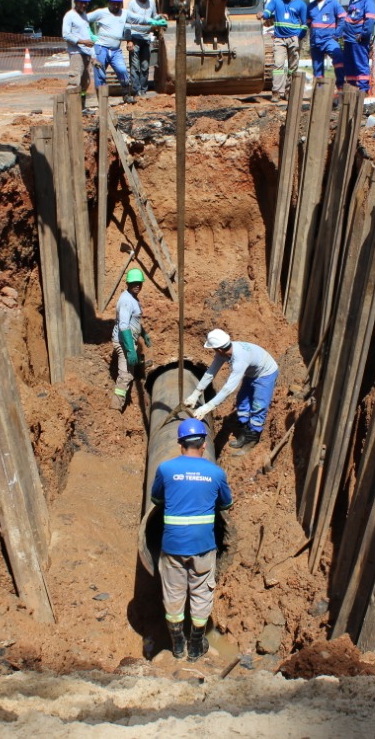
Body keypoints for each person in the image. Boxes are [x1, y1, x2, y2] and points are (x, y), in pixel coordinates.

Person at [151, 418, 233, 661]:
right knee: (201, 593)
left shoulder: (166, 469)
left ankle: (177, 645)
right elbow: (226, 504)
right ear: (204, 444)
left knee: (174, 593)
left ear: (179, 445)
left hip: (173, 546)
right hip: (203, 547)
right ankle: (196, 645)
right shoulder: (216, 473)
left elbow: (156, 500)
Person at [186, 329, 279, 450]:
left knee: (258, 405)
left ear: (219, 349)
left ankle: (252, 436)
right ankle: (244, 427)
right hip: (252, 373)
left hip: (266, 373)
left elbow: (228, 389)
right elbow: (211, 372)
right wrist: (196, 393)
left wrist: (207, 407)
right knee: (242, 401)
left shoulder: (239, 360)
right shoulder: (223, 353)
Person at [88, 0, 165, 104]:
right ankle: (102, 102)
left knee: (123, 71)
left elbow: (139, 18)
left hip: (115, 50)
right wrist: (90, 35)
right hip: (101, 48)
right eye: (113, 3)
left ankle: (126, 95)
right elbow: (84, 20)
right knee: (100, 74)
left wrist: (153, 21)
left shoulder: (124, 13)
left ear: (121, 4)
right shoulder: (101, 13)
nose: (115, 5)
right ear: (108, 2)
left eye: (118, 3)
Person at [260, 0, 308, 102]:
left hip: (293, 39)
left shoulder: (300, 4)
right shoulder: (276, 0)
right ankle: (276, 92)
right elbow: (268, 12)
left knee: (293, 67)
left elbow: (304, 24)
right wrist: (263, 15)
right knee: (278, 65)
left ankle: (288, 91)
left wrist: (299, 37)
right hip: (279, 39)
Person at [112, 268, 150, 410]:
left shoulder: (133, 298)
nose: (137, 285)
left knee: (130, 370)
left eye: (139, 283)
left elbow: (133, 320)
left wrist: (143, 333)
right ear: (128, 283)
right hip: (123, 342)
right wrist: (129, 350)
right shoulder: (126, 301)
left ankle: (137, 366)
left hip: (128, 340)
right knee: (125, 375)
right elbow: (123, 326)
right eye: (134, 282)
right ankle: (116, 407)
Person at [307, 0, 345, 85]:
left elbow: (343, 18)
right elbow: (308, 23)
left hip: (329, 39)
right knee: (317, 70)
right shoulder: (310, 6)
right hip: (315, 42)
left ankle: (341, 84)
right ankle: (320, 92)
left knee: (338, 56)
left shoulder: (333, 3)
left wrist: (337, 34)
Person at [62, 0, 95, 109]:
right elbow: (66, 35)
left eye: (86, 3)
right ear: (75, 1)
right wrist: (82, 42)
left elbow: (87, 34)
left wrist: (92, 54)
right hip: (76, 53)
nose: (84, 5)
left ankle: (81, 107)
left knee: (85, 83)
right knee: (74, 80)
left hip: (86, 53)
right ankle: (71, 109)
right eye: (81, 2)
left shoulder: (84, 16)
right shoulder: (70, 16)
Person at [126, 0, 159, 97]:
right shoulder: (132, 4)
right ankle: (135, 91)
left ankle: (143, 91)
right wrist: (129, 40)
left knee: (145, 66)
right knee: (135, 67)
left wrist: (160, 20)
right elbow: (127, 23)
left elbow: (155, 17)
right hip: (135, 38)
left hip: (146, 39)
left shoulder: (152, 3)